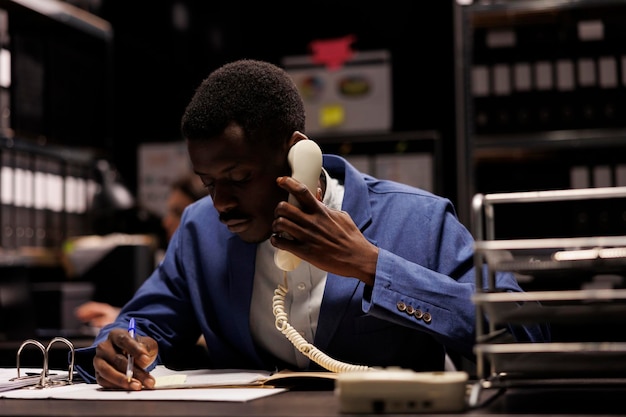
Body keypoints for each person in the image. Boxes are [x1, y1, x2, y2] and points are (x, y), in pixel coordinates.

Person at [73, 59, 549, 390]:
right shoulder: (200, 230)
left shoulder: (418, 218)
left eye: (239, 178)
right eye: (207, 182)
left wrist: (372, 266)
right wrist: (119, 344)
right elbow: (140, 321)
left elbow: (529, 337)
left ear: (297, 152)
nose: (220, 203)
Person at [74, 175, 206, 329]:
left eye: (178, 212)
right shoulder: (180, 264)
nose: (166, 222)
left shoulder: (214, 266)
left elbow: (202, 332)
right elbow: (167, 316)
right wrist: (121, 317)